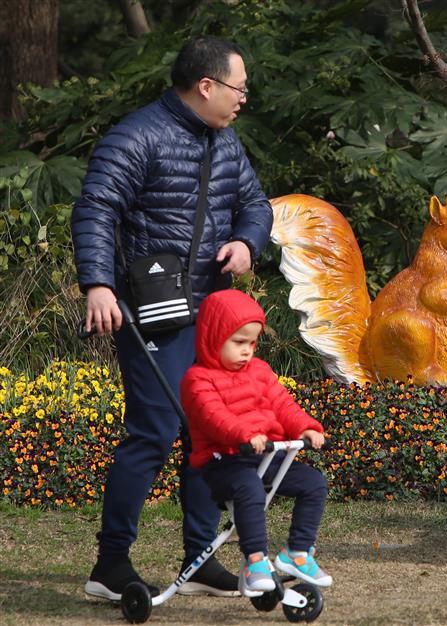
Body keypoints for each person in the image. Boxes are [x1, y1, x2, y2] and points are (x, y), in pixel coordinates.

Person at [72, 35, 273, 600]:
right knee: (153, 433)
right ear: (205, 86)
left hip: (208, 312)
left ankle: (201, 558)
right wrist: (98, 285)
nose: (243, 99)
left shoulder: (226, 142)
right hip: (148, 310)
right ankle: (109, 566)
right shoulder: (136, 135)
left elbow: (254, 204)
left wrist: (246, 242)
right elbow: (95, 208)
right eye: (239, 88)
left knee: (206, 434)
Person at [182, 289, 332, 591]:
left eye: (251, 342)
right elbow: (214, 417)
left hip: (263, 456)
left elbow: (282, 404)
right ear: (213, 337)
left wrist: (305, 427)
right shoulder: (197, 379)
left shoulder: (259, 372)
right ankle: (256, 561)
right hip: (224, 460)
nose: (247, 350)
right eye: (238, 342)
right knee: (248, 487)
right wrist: (245, 435)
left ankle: (297, 554)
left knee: (313, 483)